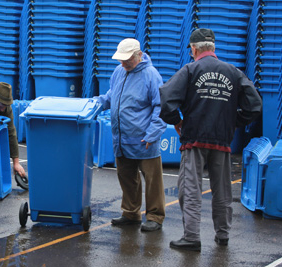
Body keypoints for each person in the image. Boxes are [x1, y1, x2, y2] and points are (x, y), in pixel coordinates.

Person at [159, 28, 262, 252]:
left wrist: (176, 121)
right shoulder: (233, 72)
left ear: (194, 49)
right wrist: (233, 121)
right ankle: (222, 235)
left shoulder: (190, 69)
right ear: (213, 48)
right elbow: (254, 105)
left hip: (193, 139)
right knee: (223, 189)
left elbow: (166, 98)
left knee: (190, 188)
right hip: (222, 140)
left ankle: (192, 237)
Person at [96, 38, 167, 232]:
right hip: (122, 137)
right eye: (121, 60)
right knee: (126, 176)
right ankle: (130, 212)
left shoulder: (151, 75)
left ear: (139, 55)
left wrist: (152, 134)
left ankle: (154, 216)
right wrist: (94, 105)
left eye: (127, 59)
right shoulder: (120, 71)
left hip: (144, 138)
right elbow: (111, 96)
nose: (123, 63)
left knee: (152, 179)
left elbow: (160, 106)